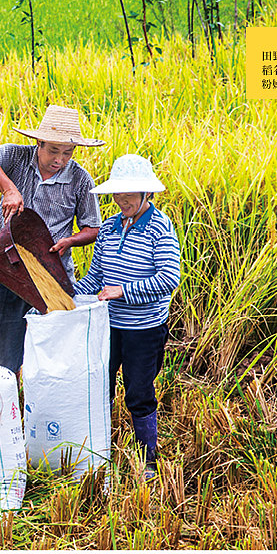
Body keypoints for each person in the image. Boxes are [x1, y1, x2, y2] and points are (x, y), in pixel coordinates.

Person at [0, 104, 105, 373]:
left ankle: (43, 408)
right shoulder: (18, 158)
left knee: (52, 354)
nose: (60, 159)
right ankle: (7, 404)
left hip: (53, 275)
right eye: (53, 150)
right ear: (39, 143)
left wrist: (70, 241)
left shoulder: (80, 179)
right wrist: (9, 189)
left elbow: (92, 228)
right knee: (6, 353)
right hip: (9, 270)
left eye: (67, 152)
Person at [73, 154, 181, 476]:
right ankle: (99, 448)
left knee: (138, 391)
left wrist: (123, 291)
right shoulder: (108, 228)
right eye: (118, 194)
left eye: (130, 194)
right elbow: (96, 277)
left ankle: (147, 461)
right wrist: (69, 295)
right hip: (108, 325)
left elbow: (169, 280)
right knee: (99, 385)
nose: (122, 200)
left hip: (144, 328)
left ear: (147, 193)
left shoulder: (159, 228)